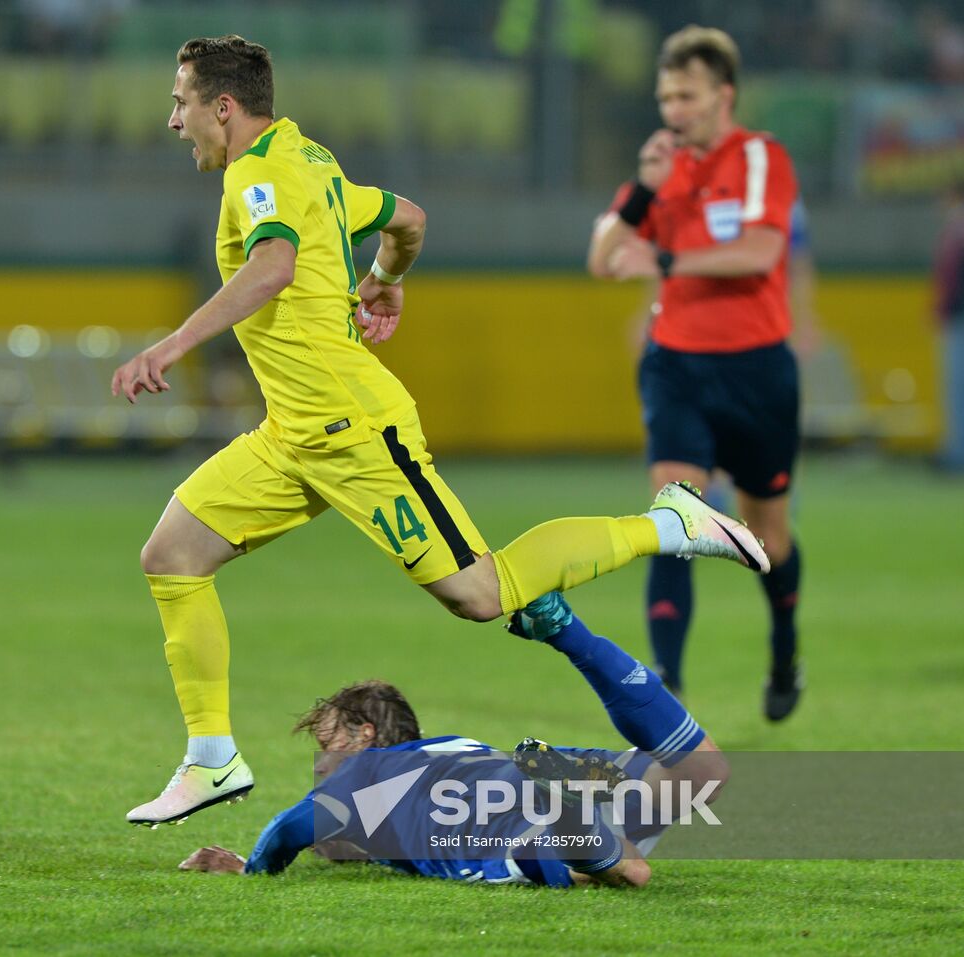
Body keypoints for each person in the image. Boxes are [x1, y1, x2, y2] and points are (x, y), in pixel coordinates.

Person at [112, 35, 767, 827]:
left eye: (182, 102)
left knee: (479, 593)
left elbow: (273, 266)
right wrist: (384, 280)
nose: (174, 120)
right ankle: (212, 757)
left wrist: (170, 345)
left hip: (355, 429)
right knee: (173, 555)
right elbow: (408, 217)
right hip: (293, 434)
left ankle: (670, 522)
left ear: (224, 106)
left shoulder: (258, 175)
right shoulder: (309, 161)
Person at [178, 592, 728, 888]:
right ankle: (569, 634)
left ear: (365, 737)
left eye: (326, 750)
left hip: (511, 826)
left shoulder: (368, 774)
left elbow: (294, 828)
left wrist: (253, 869)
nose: (320, 769)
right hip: (552, 768)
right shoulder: (451, 747)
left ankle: (586, 835)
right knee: (705, 776)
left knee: (615, 866)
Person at [586, 26, 804, 722]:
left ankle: (784, 649)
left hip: (756, 371)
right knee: (675, 512)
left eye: (686, 95)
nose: (673, 108)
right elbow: (605, 257)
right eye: (665, 96)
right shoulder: (661, 170)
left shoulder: (761, 157)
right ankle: (666, 689)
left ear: (723, 95)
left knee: (767, 537)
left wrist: (670, 263)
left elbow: (763, 249)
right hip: (676, 363)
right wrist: (639, 197)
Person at [933, 179, 964, 474]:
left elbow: (949, 276)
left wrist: (940, 309)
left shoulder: (957, 228)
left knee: (956, 387)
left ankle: (957, 453)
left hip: (958, 318)